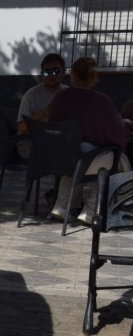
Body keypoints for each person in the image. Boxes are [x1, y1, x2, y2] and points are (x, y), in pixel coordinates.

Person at [46, 56, 130, 222]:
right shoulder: (101, 101)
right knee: (116, 158)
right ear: (93, 77)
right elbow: (116, 134)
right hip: (86, 160)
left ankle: (62, 206)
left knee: (77, 159)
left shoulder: (60, 97)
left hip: (59, 158)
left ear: (73, 75)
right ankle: (91, 211)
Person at [17, 52, 67, 134]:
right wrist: (42, 113)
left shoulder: (69, 94)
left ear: (63, 72)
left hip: (60, 138)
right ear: (42, 74)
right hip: (34, 140)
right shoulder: (31, 95)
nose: (51, 75)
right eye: (47, 72)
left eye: (56, 71)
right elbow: (21, 128)